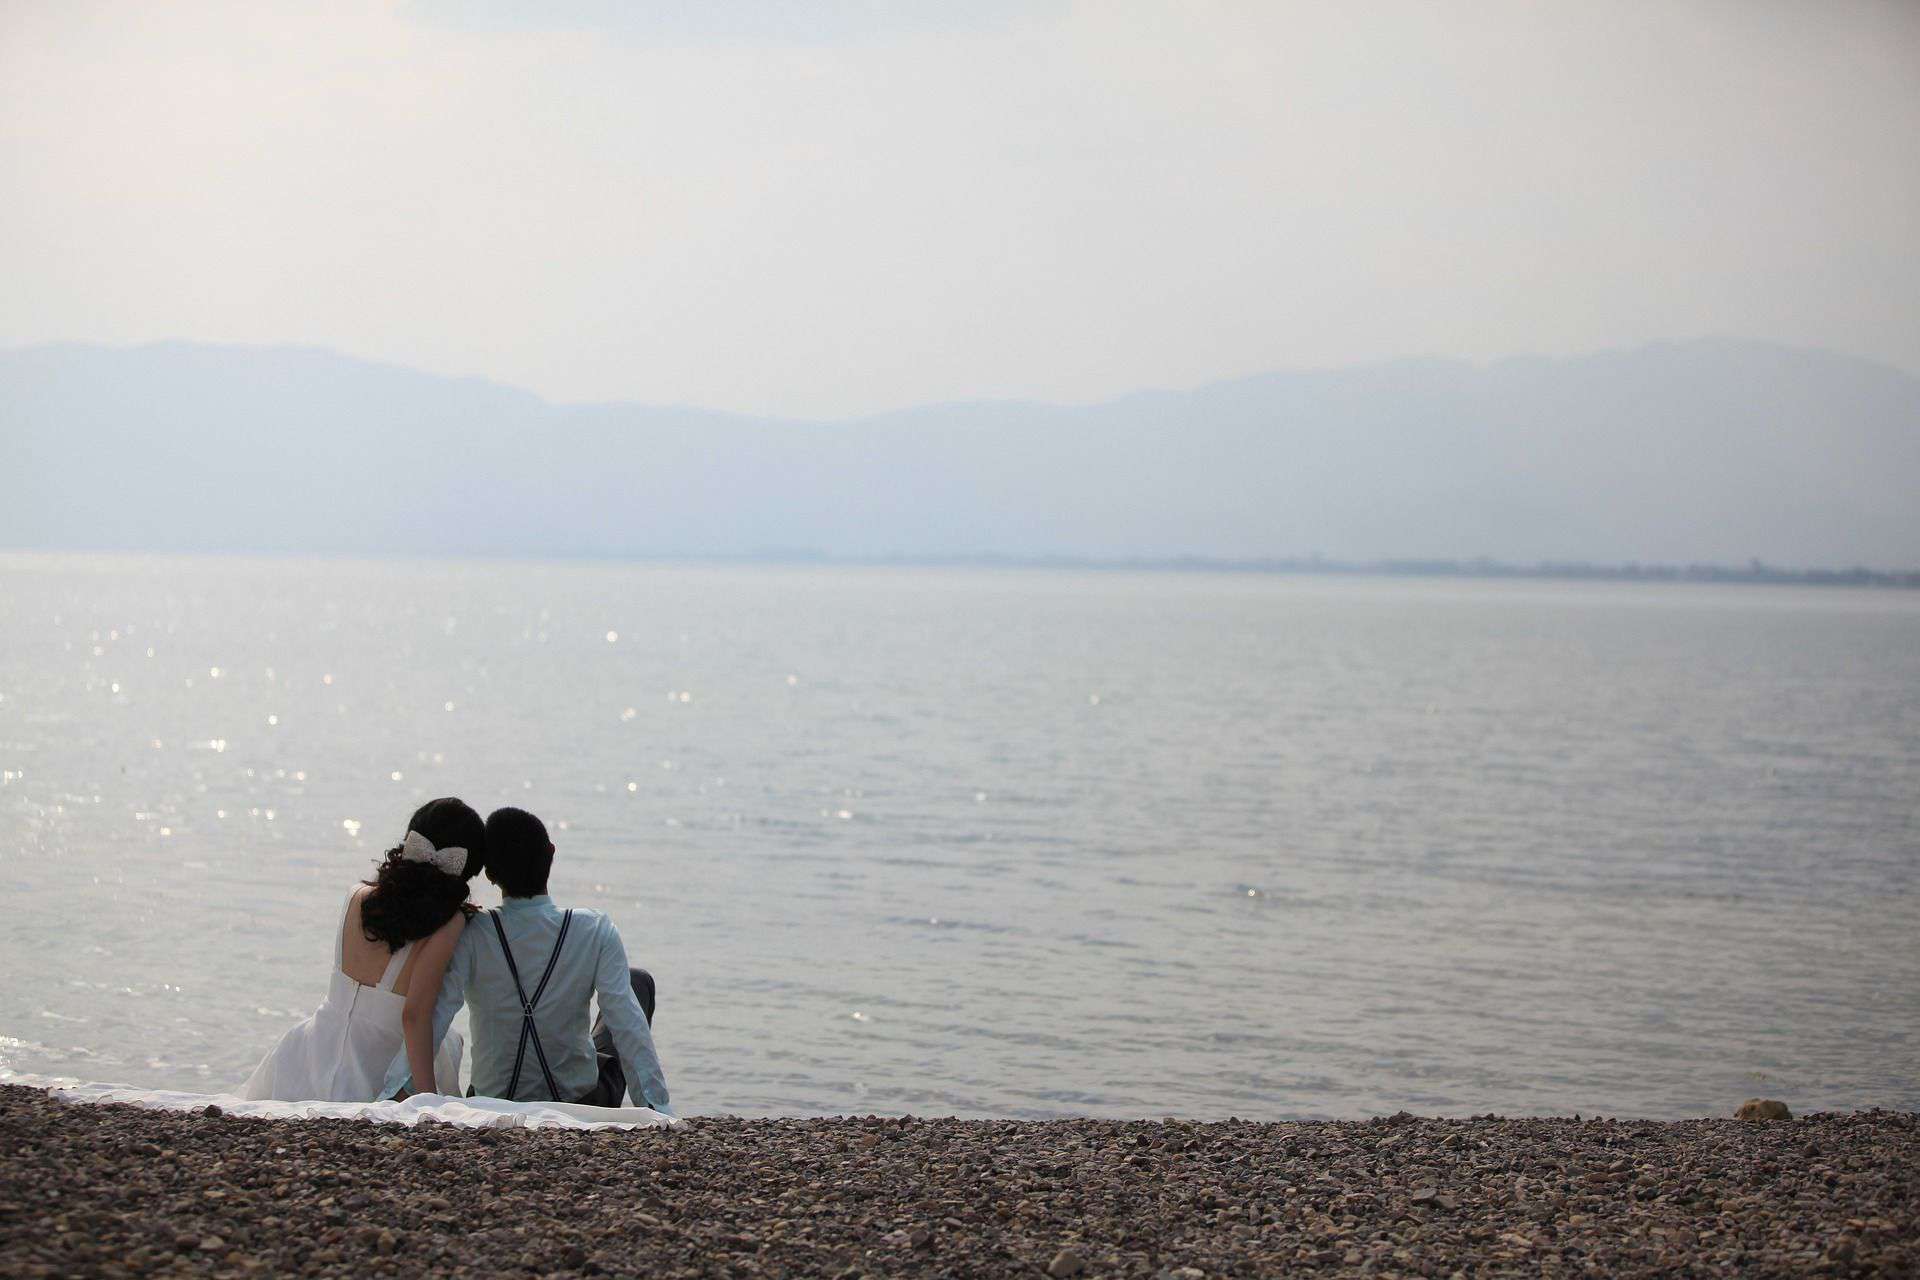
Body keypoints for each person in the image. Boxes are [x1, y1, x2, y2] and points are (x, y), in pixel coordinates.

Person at [382, 806, 671, 1112]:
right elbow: (628, 1026)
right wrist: (657, 1112)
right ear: (551, 853)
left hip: (490, 1101)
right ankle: (648, 1101)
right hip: (578, 1101)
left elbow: (436, 1015)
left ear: (490, 874)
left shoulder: (471, 932)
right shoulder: (595, 929)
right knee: (637, 982)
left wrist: (399, 1091)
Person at [237, 797, 482, 1102]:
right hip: (374, 1067)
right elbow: (415, 1015)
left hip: (307, 1055)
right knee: (448, 1042)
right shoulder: (450, 922)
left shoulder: (357, 896)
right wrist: (427, 1099)